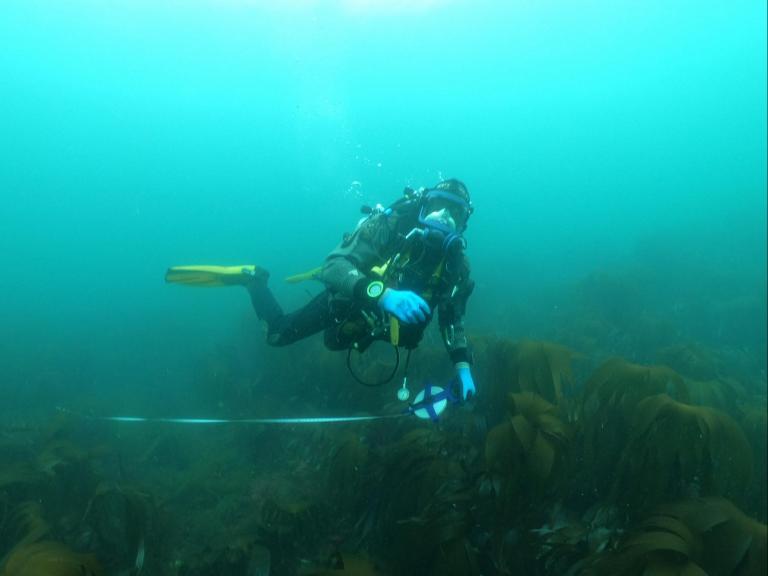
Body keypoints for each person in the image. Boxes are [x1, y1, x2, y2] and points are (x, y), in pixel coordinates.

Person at [245, 178, 476, 400]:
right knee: (277, 335)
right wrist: (383, 295)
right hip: (350, 303)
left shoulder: (456, 267)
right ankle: (254, 279)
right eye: (439, 205)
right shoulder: (392, 224)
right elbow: (334, 265)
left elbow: (453, 319)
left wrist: (463, 366)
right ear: (425, 205)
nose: (444, 216)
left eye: (455, 212)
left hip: (377, 326)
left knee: (334, 342)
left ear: (464, 224)